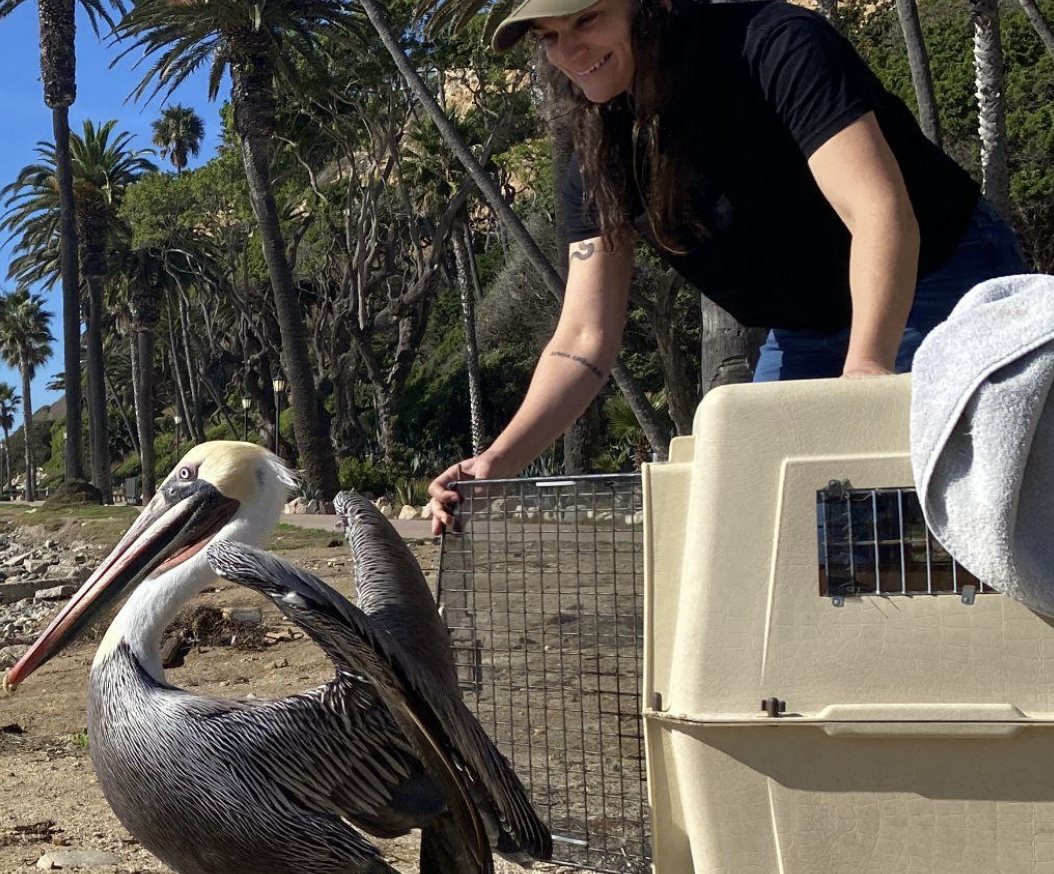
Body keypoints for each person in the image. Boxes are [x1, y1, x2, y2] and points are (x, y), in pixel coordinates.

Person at [427, 0, 1031, 532]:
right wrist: (497, 462)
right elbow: (584, 340)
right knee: (785, 517)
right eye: (550, 36)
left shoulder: (776, 45)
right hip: (804, 325)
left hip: (937, 274)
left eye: (587, 19)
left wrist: (864, 379)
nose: (569, 50)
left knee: (952, 509)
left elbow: (879, 214)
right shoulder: (597, 156)